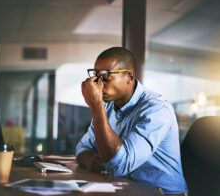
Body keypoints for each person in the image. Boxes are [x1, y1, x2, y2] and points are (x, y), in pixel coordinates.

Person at [75, 47, 188, 195]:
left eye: (105, 75)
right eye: (95, 75)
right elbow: (82, 147)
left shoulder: (157, 110)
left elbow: (118, 165)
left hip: (162, 193)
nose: (98, 83)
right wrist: (92, 160)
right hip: (126, 189)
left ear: (129, 77)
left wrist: (96, 106)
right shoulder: (108, 107)